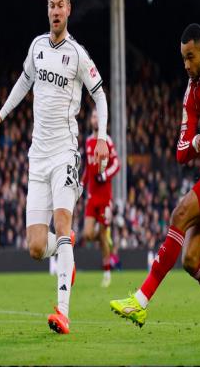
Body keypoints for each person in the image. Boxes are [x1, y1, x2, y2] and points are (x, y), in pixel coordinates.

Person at [0, 0, 109, 334]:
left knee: (63, 225)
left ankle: (63, 312)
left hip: (65, 152)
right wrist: (1, 114)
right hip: (37, 158)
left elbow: (100, 95)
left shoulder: (77, 54)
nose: (55, 11)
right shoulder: (37, 47)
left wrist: (101, 137)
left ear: (69, 9)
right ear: (47, 9)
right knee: (36, 247)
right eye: (51, 5)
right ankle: (66, 255)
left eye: (61, 5)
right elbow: (24, 82)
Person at [110, 23, 200, 339]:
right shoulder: (193, 93)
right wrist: (194, 143)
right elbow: (180, 152)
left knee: (179, 213)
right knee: (191, 260)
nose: (186, 65)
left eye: (190, 57)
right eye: (183, 59)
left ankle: (140, 301)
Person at [81, 108, 120, 287]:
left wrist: (104, 176)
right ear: (91, 120)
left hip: (105, 198)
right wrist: (81, 185)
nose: (95, 119)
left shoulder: (107, 141)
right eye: (93, 116)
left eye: (98, 116)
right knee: (87, 234)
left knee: (103, 235)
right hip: (92, 197)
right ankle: (104, 233)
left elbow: (117, 164)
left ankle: (107, 272)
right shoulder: (88, 141)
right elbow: (88, 169)